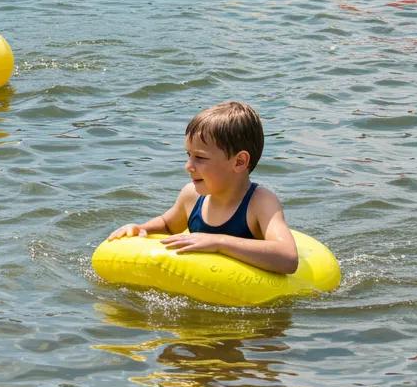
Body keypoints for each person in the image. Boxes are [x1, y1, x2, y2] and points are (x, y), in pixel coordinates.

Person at [104, 101, 299, 275]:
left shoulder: (260, 203)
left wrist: (218, 243)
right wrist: (140, 228)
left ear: (239, 161)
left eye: (200, 158)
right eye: (188, 155)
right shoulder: (191, 196)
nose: (188, 165)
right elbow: (167, 225)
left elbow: (288, 258)